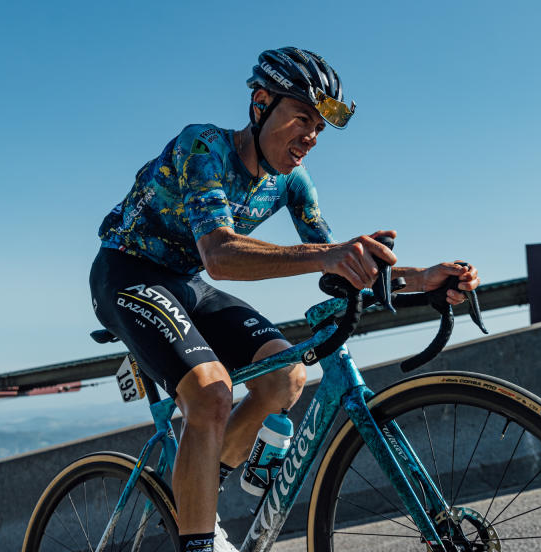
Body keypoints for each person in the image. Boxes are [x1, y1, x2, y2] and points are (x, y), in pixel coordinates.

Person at [89, 47, 480, 552]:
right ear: (260, 103)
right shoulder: (202, 146)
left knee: (287, 376)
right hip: (127, 272)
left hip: (186, 281)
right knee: (210, 395)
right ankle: (198, 542)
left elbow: (338, 258)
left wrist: (421, 277)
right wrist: (329, 254)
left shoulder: (292, 182)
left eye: (318, 127)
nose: (310, 138)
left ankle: (198, 496)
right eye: (301, 119)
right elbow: (221, 254)